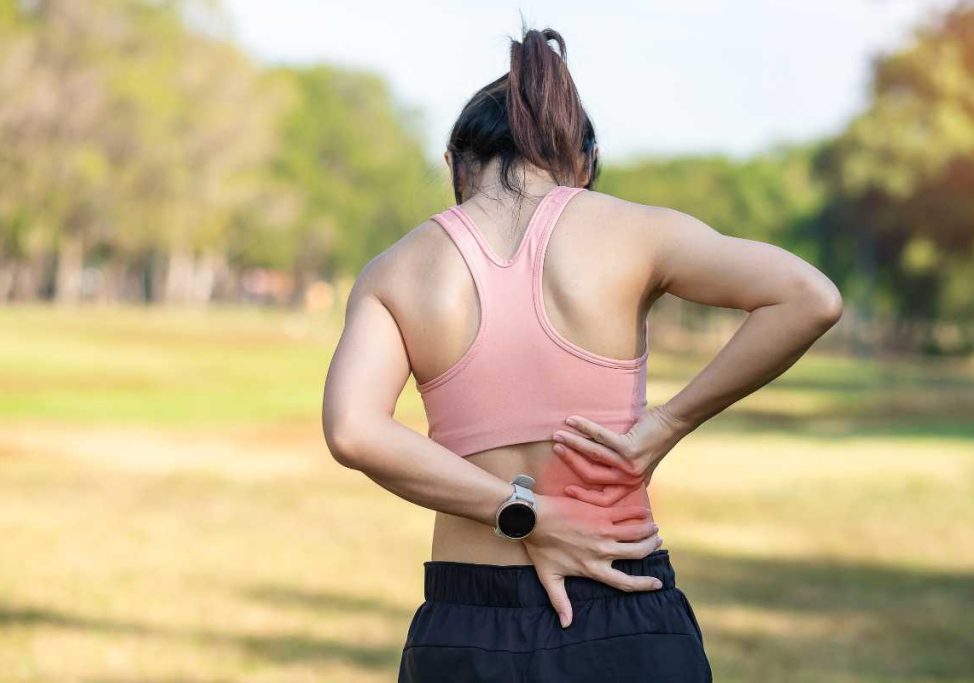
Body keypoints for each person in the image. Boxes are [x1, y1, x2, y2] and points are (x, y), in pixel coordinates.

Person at [322, 25, 842, 683]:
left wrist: (523, 515)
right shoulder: (636, 232)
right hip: (622, 600)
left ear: (454, 162)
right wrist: (668, 423)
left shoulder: (395, 269)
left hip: (464, 624)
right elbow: (809, 297)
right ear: (585, 161)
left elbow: (353, 430)